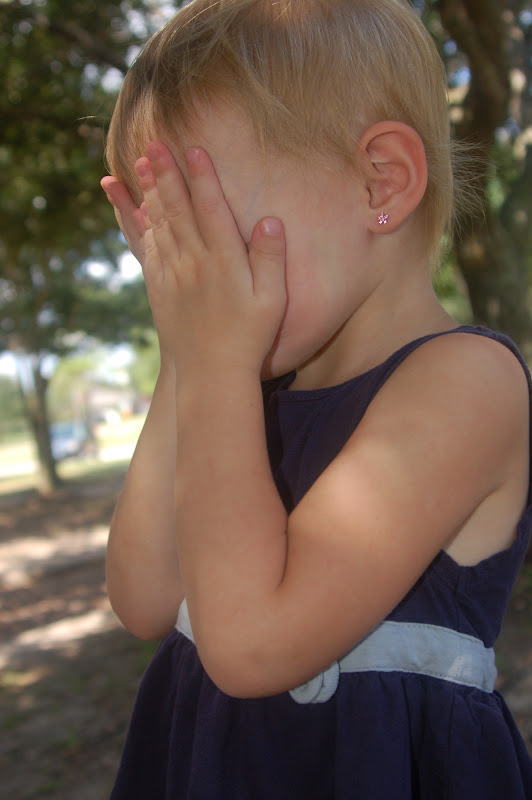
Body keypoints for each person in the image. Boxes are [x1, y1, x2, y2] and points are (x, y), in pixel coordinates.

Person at [101, 1, 532, 797]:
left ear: (381, 182)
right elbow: (144, 599)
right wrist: (189, 355)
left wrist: (216, 360)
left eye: (211, 235)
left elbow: (252, 646)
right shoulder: (236, 387)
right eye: (171, 249)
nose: (192, 280)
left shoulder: (466, 382)